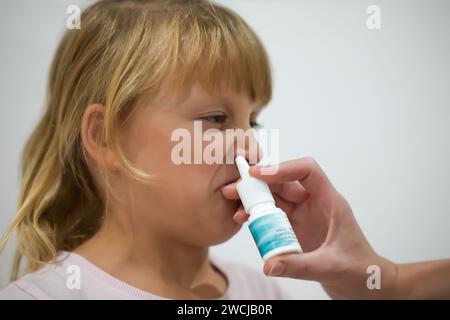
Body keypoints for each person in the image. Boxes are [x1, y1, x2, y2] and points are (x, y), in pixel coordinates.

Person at [222, 158, 450, 299]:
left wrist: (387, 285)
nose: (251, 145)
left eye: (253, 123)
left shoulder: (263, 292)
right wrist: (390, 283)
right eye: (215, 118)